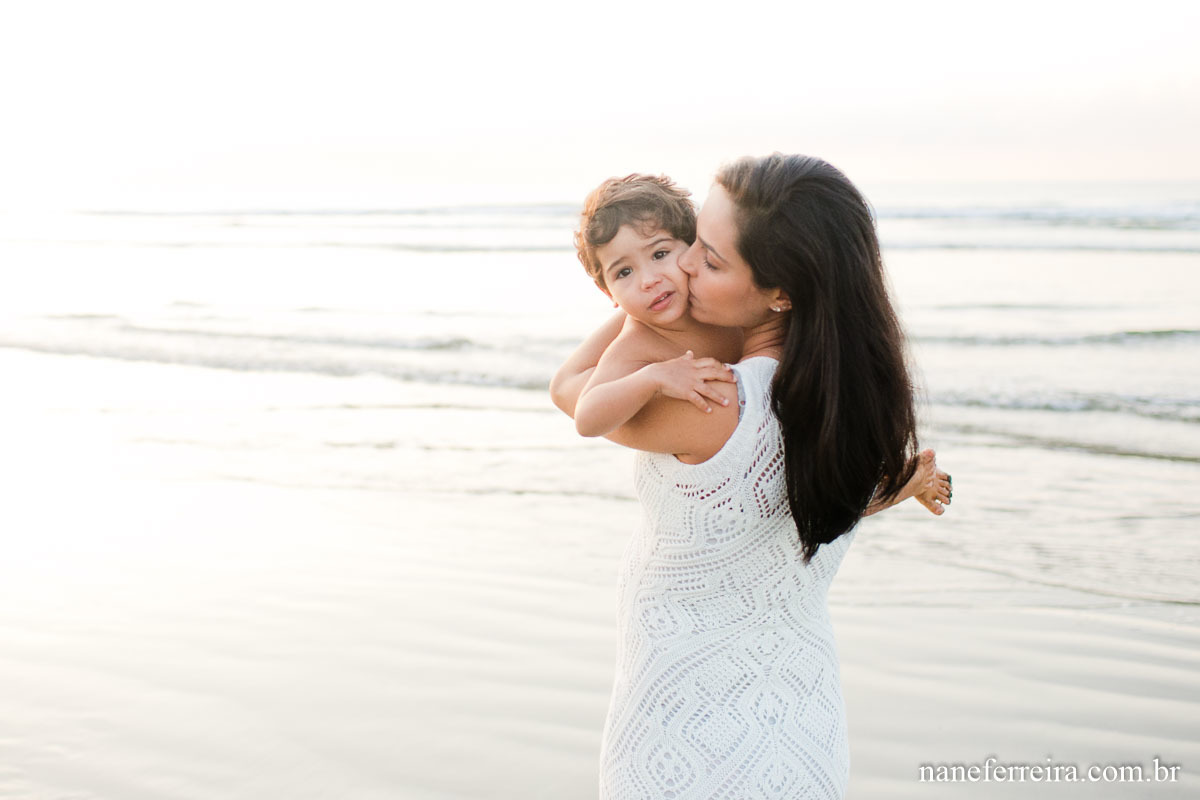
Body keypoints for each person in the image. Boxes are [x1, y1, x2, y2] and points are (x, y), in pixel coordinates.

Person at [552, 155, 951, 799]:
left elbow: (574, 394)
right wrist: (898, 487)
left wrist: (630, 313)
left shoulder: (707, 398)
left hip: (687, 734)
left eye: (705, 258)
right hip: (803, 729)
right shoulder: (841, 392)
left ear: (779, 291)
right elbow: (786, 510)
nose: (678, 269)